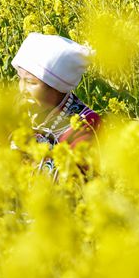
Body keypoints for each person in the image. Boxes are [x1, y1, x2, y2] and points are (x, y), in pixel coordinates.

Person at [11, 32, 101, 178]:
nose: (22, 90)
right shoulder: (18, 109)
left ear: (57, 86)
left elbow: (74, 182)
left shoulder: (85, 124)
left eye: (31, 83)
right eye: (19, 79)